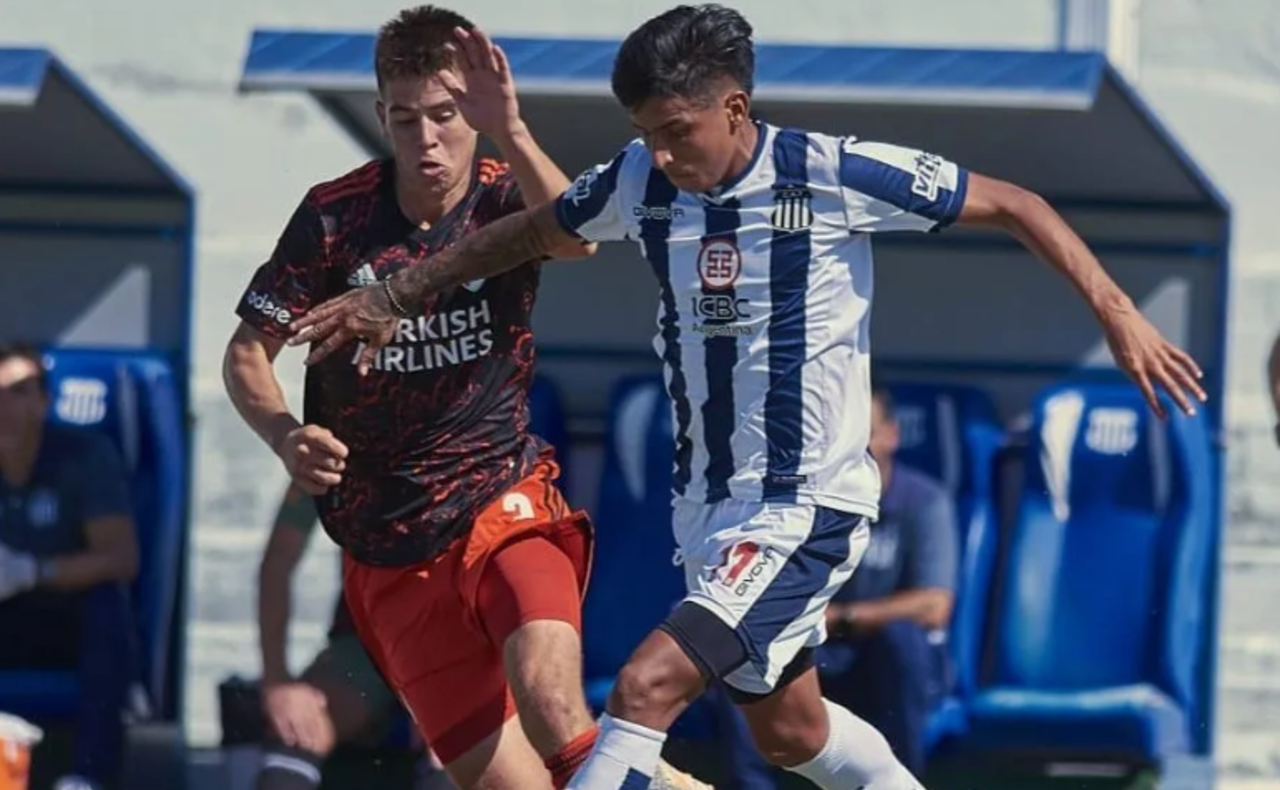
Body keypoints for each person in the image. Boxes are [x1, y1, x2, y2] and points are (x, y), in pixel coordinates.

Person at [285, 5, 1207, 790]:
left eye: (676, 130)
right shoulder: (642, 180)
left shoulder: (833, 173)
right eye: (646, 131)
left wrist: (1118, 313)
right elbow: (531, 232)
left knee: (643, 689)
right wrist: (398, 293)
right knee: (790, 733)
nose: (661, 151)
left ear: (734, 108)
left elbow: (1015, 203)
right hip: (709, 515)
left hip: (804, 506)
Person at [222, 8, 708, 790]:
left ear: (472, 113)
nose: (427, 139)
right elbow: (248, 351)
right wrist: (284, 433)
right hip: (388, 547)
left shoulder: (502, 194)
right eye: (406, 119)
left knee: (557, 712)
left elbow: (577, 237)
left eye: (446, 116)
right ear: (382, 116)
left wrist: (510, 127)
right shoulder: (334, 217)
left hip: (502, 503)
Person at [0, 342, 140, 790]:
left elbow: (120, 558)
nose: (4, 406)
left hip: (63, 616)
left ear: (44, 401)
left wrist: (32, 571)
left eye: (18, 391)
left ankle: (88, 776)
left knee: (108, 608)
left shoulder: (83, 456)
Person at [255, 482, 444, 789]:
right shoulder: (335, 458)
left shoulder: (479, 458)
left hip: (453, 643)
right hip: (363, 648)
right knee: (298, 727)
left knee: (459, 744)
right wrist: (278, 682)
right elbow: (278, 562)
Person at [819, 387, 959, 775]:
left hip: (889, 662)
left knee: (900, 638)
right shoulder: (809, 503)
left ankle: (902, 780)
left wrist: (842, 618)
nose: (852, 447)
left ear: (891, 436)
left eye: (863, 433)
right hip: (821, 656)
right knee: (752, 640)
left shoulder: (925, 500)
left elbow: (934, 605)